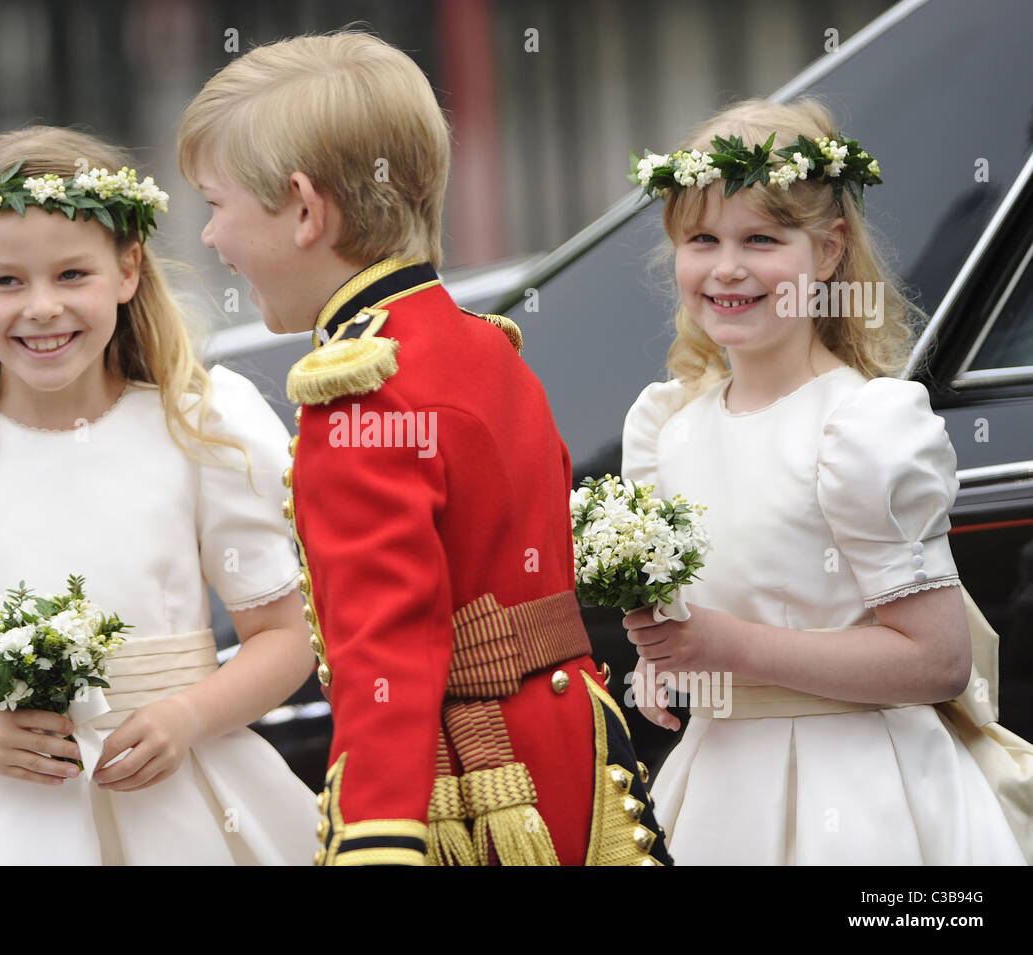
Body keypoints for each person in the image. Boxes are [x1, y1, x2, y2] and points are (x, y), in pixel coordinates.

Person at [178, 31, 671, 867]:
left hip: (474, 789)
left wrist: (375, 840)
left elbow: (389, 654)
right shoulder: (482, 343)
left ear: (304, 210)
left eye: (216, 204)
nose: (208, 238)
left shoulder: (360, 388)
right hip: (572, 754)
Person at [0, 125, 320, 865]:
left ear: (128, 269)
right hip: (2, 820)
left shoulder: (200, 429)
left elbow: (285, 636)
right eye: (7, 282)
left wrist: (187, 716)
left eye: (72, 274)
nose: (43, 307)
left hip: (187, 800)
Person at [620, 98, 1028, 865]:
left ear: (830, 250)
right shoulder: (668, 431)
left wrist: (729, 646)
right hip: (719, 792)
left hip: (863, 792)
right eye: (703, 239)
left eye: (761, 239)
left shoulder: (861, 428)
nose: (728, 266)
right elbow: (708, 616)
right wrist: (662, 660)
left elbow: (939, 660)